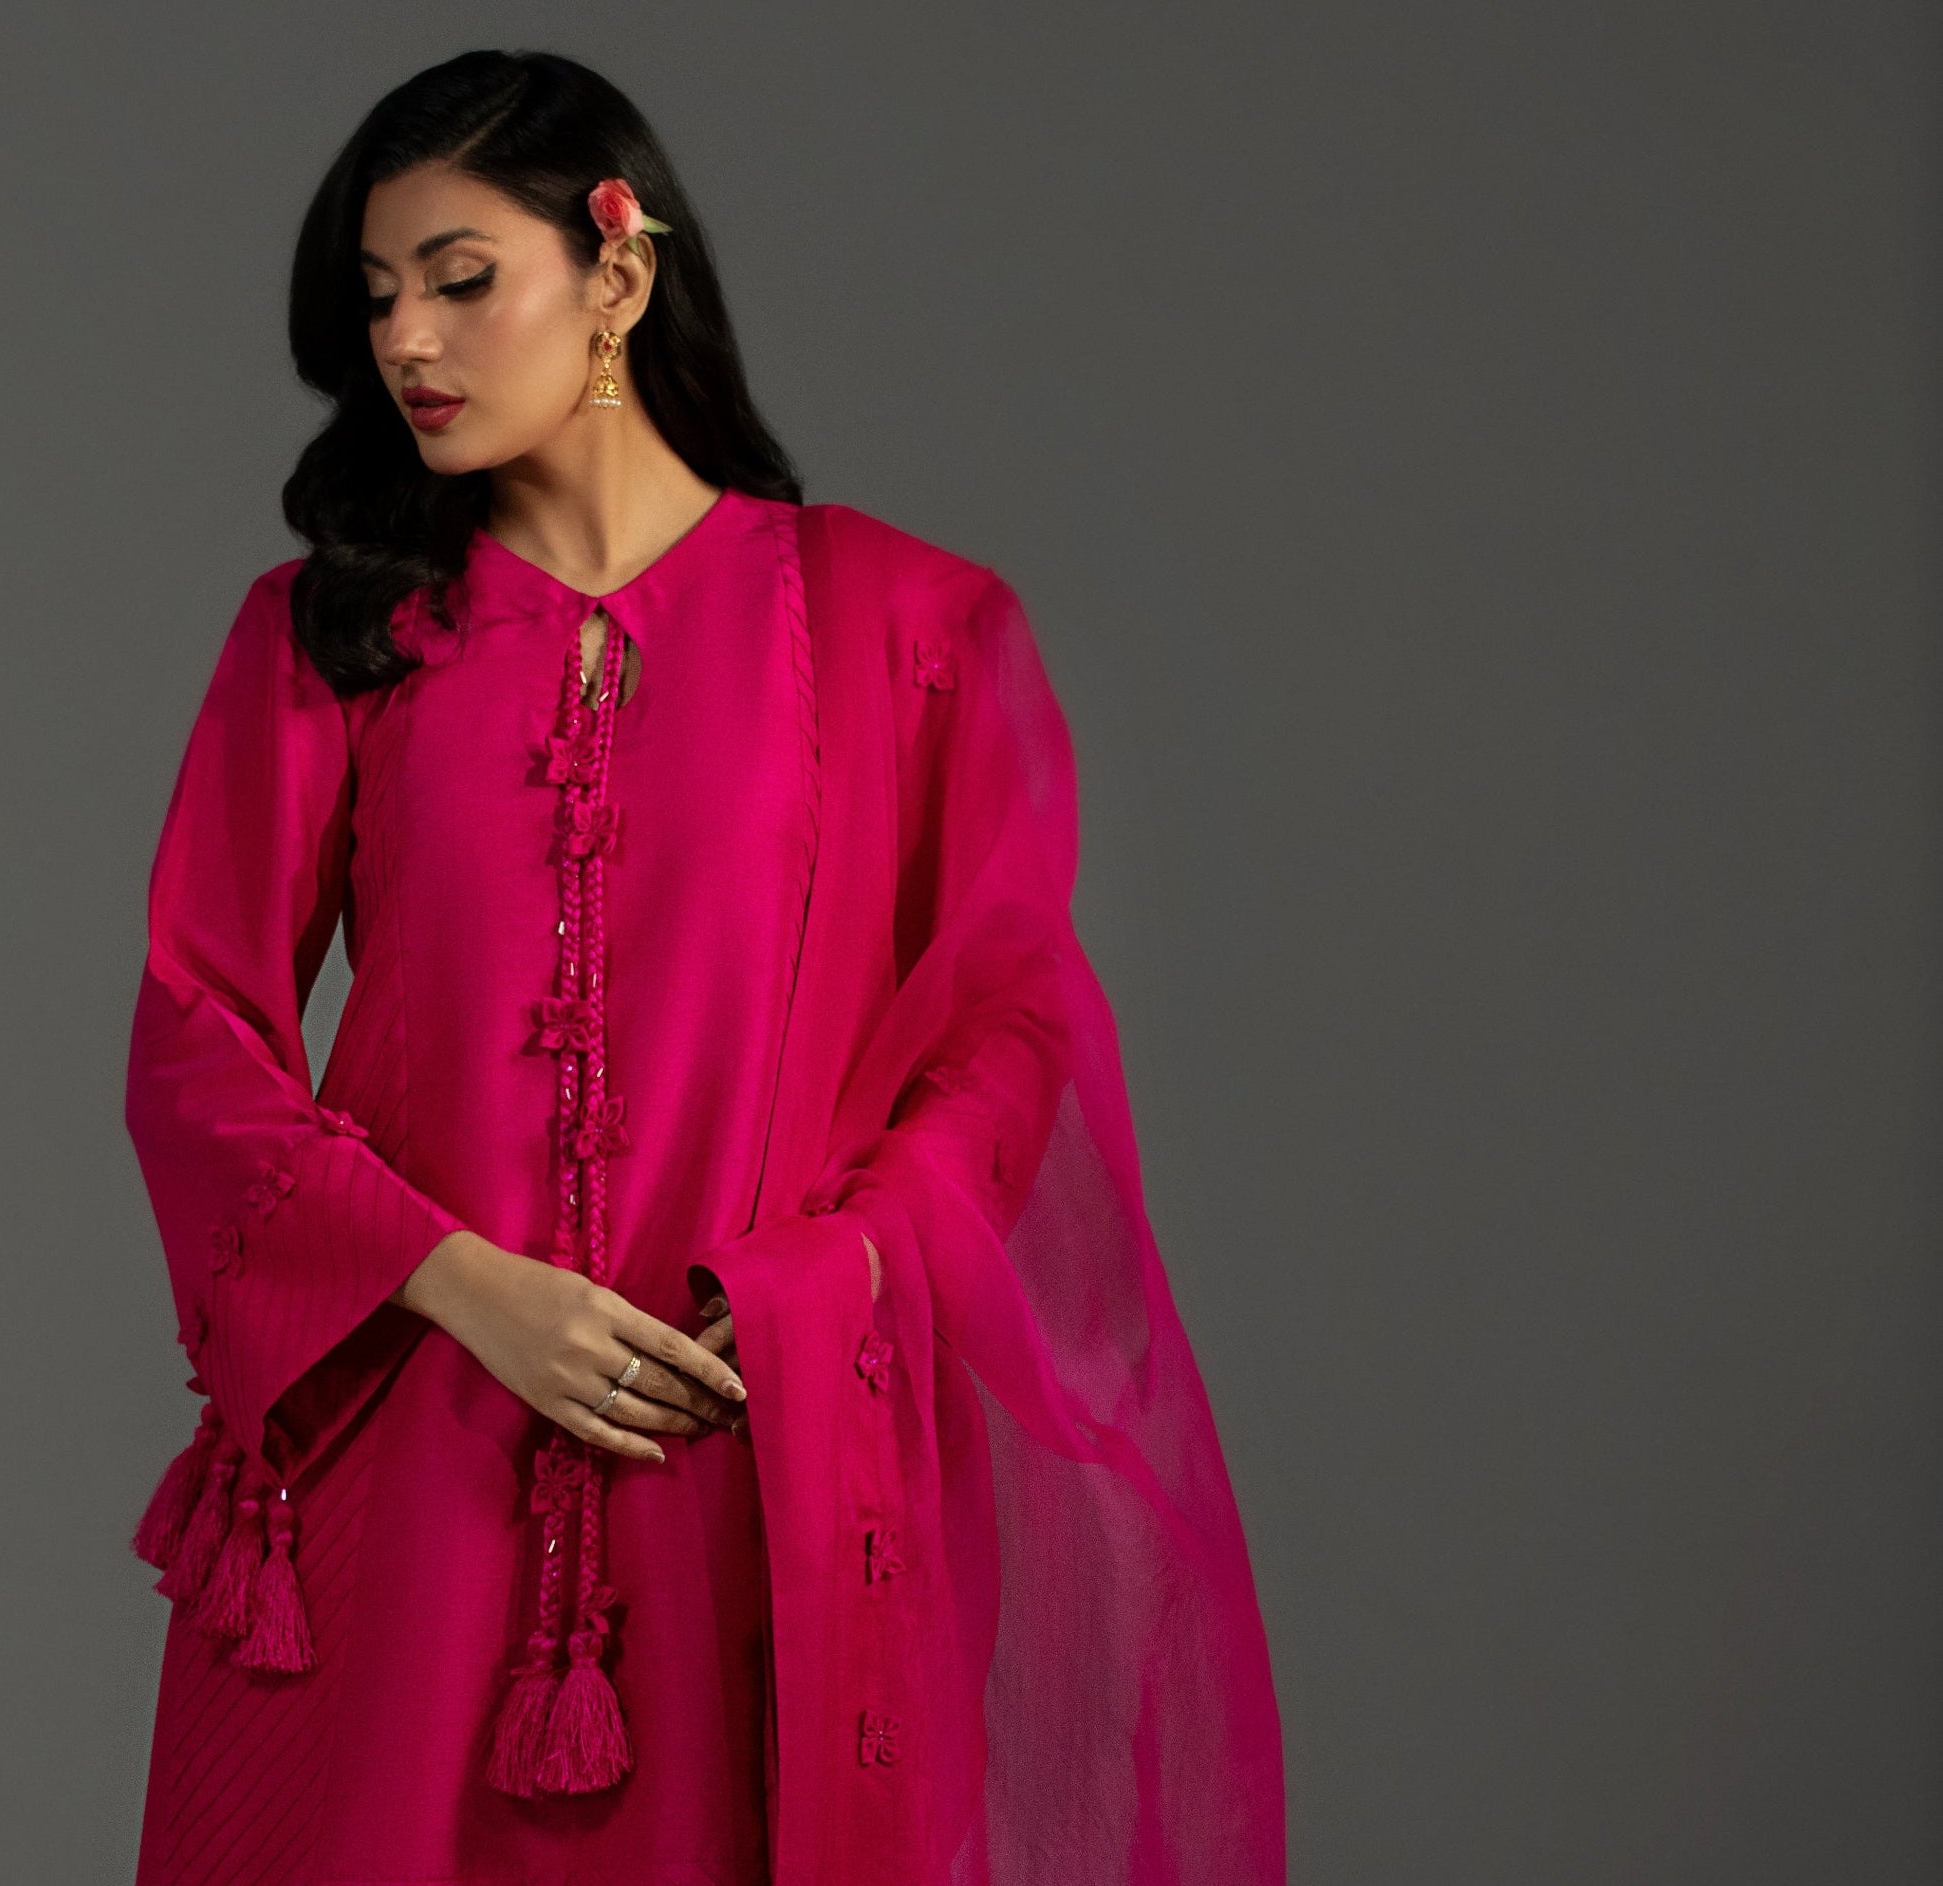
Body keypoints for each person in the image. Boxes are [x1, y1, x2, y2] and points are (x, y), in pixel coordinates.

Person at [120, 48, 1283, 1886]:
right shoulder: (333, 636)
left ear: (619, 268)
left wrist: (822, 1277)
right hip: (401, 1460)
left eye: (456, 276)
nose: (406, 339)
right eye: (374, 298)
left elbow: (1008, 1022)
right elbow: (198, 1034)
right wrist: (454, 1278)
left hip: (736, 1452)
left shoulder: (909, 630)